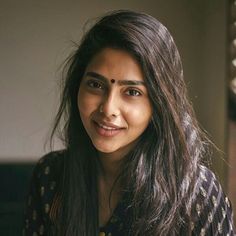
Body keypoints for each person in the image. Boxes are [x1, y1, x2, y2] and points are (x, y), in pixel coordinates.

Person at [23, 10, 235, 235]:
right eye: (96, 85)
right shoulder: (51, 177)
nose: (108, 108)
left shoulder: (197, 195)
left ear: (159, 103)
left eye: (132, 92)